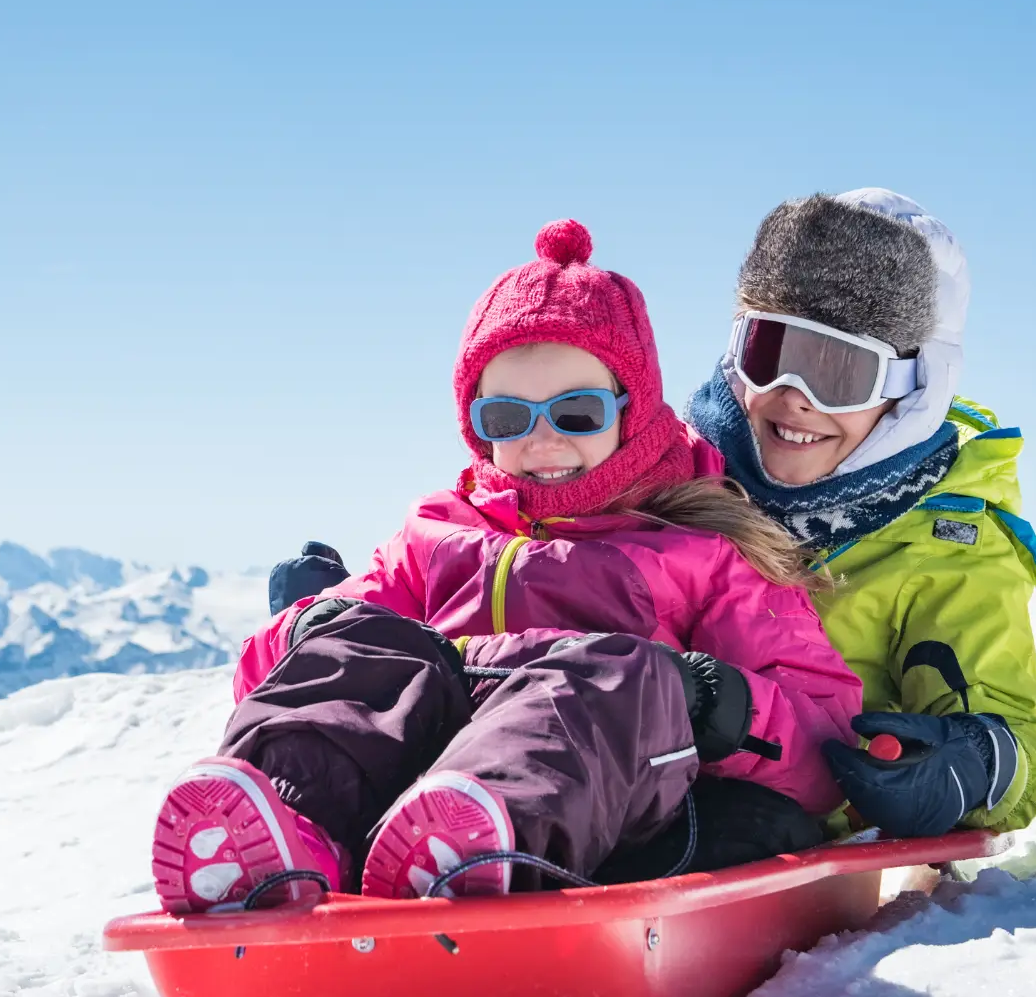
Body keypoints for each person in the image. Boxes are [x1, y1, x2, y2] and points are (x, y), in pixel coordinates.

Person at [151, 221, 862, 913]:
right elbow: (292, 680)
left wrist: (712, 702)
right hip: (407, 791)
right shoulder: (435, 535)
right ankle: (286, 835)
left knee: (615, 675)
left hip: (609, 811)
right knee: (362, 641)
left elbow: (820, 743)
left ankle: (473, 846)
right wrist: (307, 625)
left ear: (633, 411)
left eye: (576, 413)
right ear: (475, 426)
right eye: (507, 419)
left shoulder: (702, 550)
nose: (542, 440)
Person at [686, 189, 1036, 838]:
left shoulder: (946, 542)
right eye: (770, 355)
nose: (794, 397)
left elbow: (1011, 737)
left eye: (837, 373)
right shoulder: (674, 483)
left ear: (911, 390)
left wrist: (967, 761)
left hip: (787, 820)